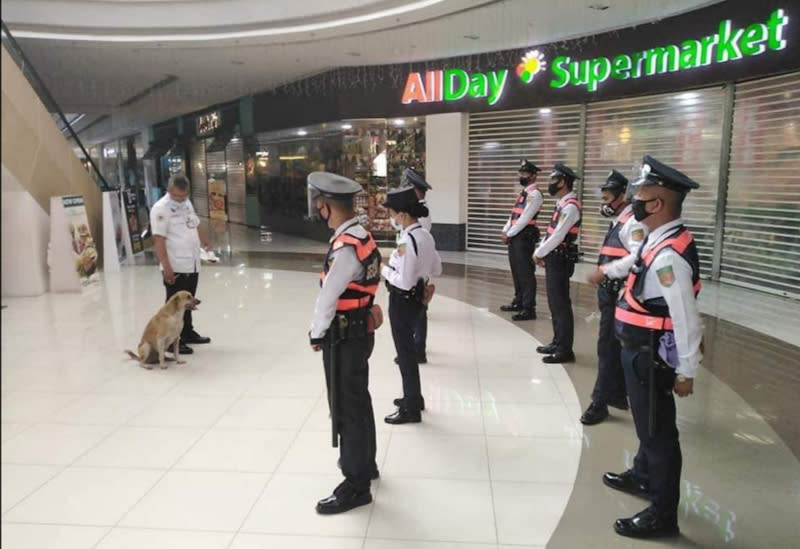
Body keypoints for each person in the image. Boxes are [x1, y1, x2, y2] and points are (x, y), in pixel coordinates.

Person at [603, 156, 703, 539]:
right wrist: (606, 270)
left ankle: (663, 513)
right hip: (638, 348)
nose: (634, 199)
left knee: (658, 433)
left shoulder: (668, 256)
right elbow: (632, 262)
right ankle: (643, 475)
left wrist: (687, 370)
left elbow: (686, 316)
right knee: (648, 426)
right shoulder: (659, 240)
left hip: (649, 353)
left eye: (641, 194)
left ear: (657, 204)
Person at [308, 171, 382, 515]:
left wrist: (316, 332)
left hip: (343, 336)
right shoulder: (361, 235)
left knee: (346, 406)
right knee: (358, 400)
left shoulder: (346, 247)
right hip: (358, 331)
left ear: (324, 206)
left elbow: (328, 295)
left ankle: (356, 485)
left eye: (318, 205)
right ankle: (365, 464)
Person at [581, 170, 648, 425]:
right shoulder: (621, 219)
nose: (604, 203)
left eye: (608, 197)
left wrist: (605, 271)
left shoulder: (633, 222)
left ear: (623, 196)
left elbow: (637, 256)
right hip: (609, 292)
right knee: (612, 344)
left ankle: (600, 402)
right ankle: (618, 394)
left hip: (617, 293)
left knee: (607, 347)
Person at [382, 186, 442, 425]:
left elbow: (404, 282)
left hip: (402, 301)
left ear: (403, 214)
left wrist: (385, 269)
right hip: (418, 300)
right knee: (407, 352)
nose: (392, 218)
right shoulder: (425, 235)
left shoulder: (407, 240)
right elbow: (437, 268)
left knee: (405, 355)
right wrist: (422, 277)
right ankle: (414, 398)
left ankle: (411, 408)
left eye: (393, 213)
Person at [150, 174, 212, 355]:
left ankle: (187, 332)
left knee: (189, 301)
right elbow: (159, 239)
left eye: (184, 195)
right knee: (174, 307)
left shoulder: (186, 203)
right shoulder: (160, 209)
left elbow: (195, 223)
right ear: (169, 190)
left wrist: (205, 241)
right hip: (175, 265)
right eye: (177, 196)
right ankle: (170, 342)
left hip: (191, 263)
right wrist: (166, 267)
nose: (181, 199)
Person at [533, 163, 582, 364]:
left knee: (561, 304)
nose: (550, 183)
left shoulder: (570, 207)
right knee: (555, 303)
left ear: (563, 182)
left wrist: (538, 253)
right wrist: (542, 251)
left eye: (553, 179)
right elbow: (551, 233)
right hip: (554, 257)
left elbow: (559, 235)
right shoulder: (562, 203)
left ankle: (564, 350)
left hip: (560, 258)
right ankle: (557, 341)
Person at [500, 160, 543, 321]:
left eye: (525, 174)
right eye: (521, 173)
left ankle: (528, 307)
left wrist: (509, 234)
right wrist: (505, 230)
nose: (522, 177)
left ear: (533, 176)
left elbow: (525, 218)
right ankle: (518, 300)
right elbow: (514, 215)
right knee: (516, 270)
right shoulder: (524, 193)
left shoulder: (535, 194)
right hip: (515, 235)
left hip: (524, 236)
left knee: (525, 272)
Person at [402, 168, 433, 363]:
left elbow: (417, 240)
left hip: (417, 268)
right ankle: (416, 346)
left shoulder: (421, 211)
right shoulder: (416, 207)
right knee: (416, 310)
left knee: (419, 311)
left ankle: (418, 349)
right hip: (415, 265)